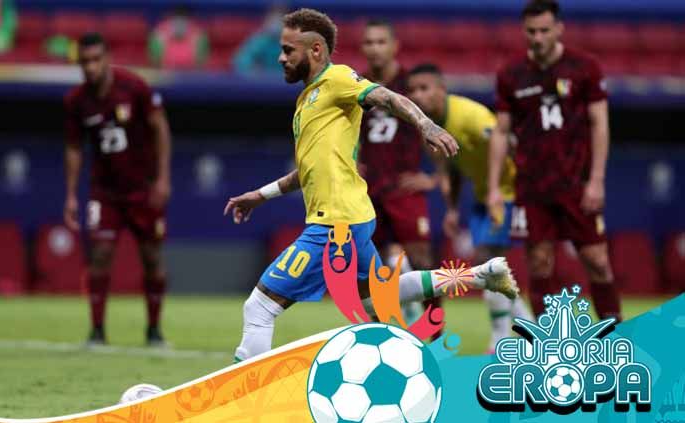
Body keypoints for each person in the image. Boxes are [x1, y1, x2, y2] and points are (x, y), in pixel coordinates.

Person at [224, 8, 519, 362]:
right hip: (355, 217)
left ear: (316, 50)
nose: (280, 57)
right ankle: (480, 276)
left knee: (259, 308)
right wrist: (260, 195)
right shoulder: (308, 100)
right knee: (382, 296)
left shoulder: (338, 80)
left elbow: (391, 97)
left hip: (334, 225)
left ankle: (250, 404)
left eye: (289, 50)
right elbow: (308, 170)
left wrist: (426, 126)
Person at [487, 0, 621, 320]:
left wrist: (597, 180)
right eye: (531, 31)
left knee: (597, 260)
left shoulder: (585, 67)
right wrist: (493, 187)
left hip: (577, 182)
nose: (538, 37)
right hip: (532, 186)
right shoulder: (511, 74)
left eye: (545, 30)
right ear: (523, 32)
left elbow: (599, 123)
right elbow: (501, 132)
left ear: (559, 29)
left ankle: (616, 334)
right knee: (539, 263)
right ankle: (549, 340)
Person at [406, 63, 534, 352]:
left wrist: (498, 192)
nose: (417, 95)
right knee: (491, 265)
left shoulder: (472, 116)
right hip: (482, 196)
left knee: (489, 260)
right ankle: (527, 330)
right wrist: (451, 208)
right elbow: (450, 168)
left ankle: (503, 336)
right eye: (412, 90)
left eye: (424, 88)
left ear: (442, 89)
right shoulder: (429, 128)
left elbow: (509, 145)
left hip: (508, 191)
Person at [64, 33, 173, 347]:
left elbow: (160, 128)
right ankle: (97, 331)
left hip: (143, 189)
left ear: (107, 58)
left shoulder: (134, 87)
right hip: (104, 193)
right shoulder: (76, 101)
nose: (91, 67)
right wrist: (71, 194)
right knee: (99, 255)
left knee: (152, 258)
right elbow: (73, 149)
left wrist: (163, 179)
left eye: (96, 59)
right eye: (84, 62)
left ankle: (154, 330)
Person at [356, 20, 439, 324]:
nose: (375, 49)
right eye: (369, 42)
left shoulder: (411, 85)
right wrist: (352, 163)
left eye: (381, 42)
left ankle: (437, 337)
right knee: (369, 269)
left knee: (422, 262)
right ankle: (377, 334)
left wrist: (434, 178)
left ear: (394, 46)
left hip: (405, 189)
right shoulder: (356, 86)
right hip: (367, 192)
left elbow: (440, 129)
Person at [232, 3, 286, 76]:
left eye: (280, 18)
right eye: (273, 18)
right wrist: (253, 71)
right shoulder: (259, 40)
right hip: (262, 83)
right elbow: (241, 61)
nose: (276, 22)